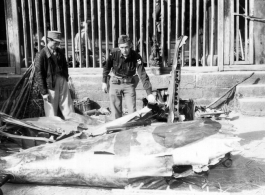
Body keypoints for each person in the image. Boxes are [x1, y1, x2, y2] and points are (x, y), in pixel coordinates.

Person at [102, 35, 156, 119]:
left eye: (126, 47)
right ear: (119, 46)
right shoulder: (113, 53)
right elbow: (106, 67)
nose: (124, 50)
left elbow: (142, 74)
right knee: (115, 112)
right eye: (122, 47)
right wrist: (104, 82)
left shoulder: (136, 56)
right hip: (115, 83)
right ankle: (118, 130)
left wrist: (149, 93)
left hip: (129, 84)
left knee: (132, 112)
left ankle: (131, 130)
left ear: (130, 45)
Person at [35, 31, 75, 119]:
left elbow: (65, 65)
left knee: (67, 103)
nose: (57, 45)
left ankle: (72, 122)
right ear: (48, 40)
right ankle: (53, 127)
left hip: (62, 79)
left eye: (58, 43)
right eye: (55, 42)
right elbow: (39, 74)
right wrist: (44, 92)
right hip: (50, 83)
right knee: (51, 108)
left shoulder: (60, 51)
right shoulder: (41, 55)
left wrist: (66, 78)